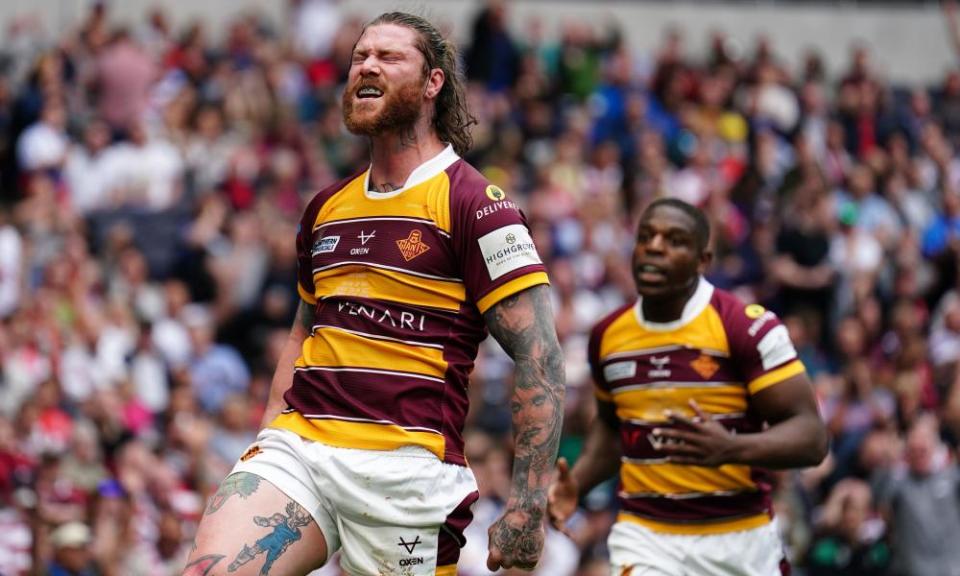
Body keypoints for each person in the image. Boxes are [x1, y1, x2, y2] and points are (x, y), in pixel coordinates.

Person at [185, 12, 565, 576]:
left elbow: (541, 359)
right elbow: (305, 330)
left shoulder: (478, 206)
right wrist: (267, 438)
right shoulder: (326, 207)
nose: (366, 66)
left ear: (433, 83)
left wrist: (528, 507)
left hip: (407, 472)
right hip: (301, 448)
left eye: (389, 57)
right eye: (360, 57)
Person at [547, 198, 828, 575]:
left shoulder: (745, 327)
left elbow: (812, 437)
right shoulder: (608, 335)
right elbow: (614, 431)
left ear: (703, 260)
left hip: (739, 537)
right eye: (646, 237)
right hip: (645, 535)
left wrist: (733, 448)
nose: (655, 247)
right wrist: (575, 484)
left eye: (674, 240)